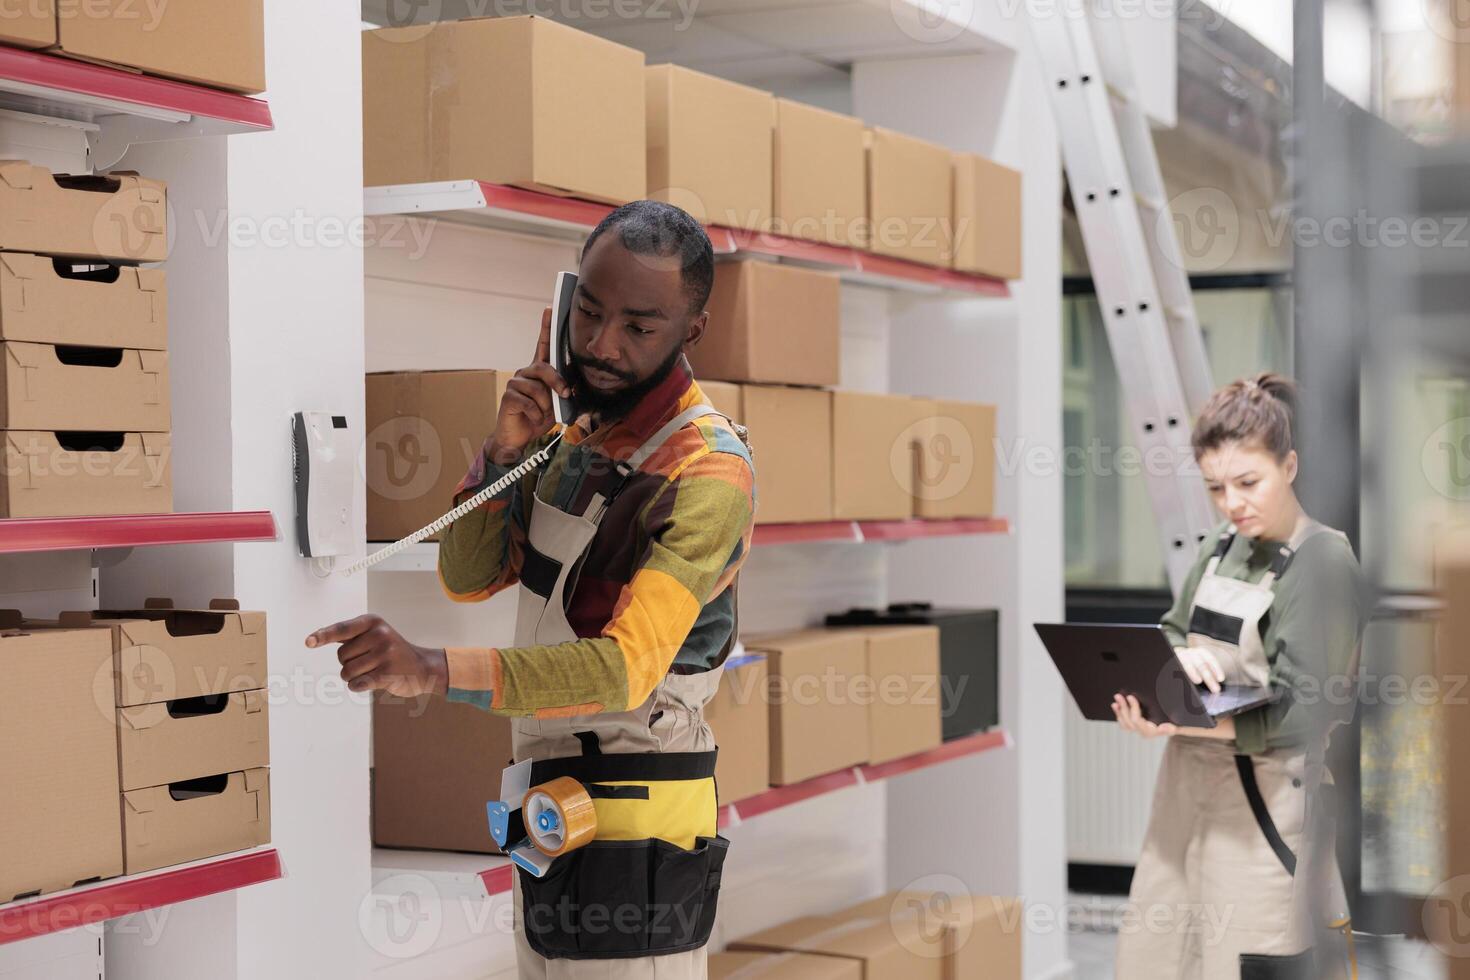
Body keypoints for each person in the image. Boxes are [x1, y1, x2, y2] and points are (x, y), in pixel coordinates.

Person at [305, 200, 756, 978]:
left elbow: (622, 671)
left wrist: (435, 669)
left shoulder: (706, 474)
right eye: (587, 312)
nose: (600, 345)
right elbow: (469, 574)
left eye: (638, 327)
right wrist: (502, 448)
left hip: (637, 821)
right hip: (553, 804)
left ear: (692, 330)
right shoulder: (572, 439)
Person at [1111, 373, 1365, 980]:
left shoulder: (1323, 560)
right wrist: (1174, 671)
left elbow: (1308, 708)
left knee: (1243, 960)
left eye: (1249, 483)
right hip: (1183, 792)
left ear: (1291, 465)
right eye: (1216, 488)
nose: (1233, 504)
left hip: (1268, 804)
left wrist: (1190, 721)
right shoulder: (1221, 544)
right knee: (1157, 956)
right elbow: (1174, 627)